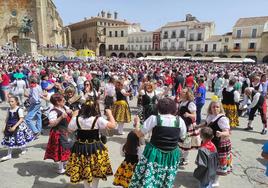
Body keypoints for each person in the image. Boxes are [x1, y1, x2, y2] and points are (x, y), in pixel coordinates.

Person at [129, 98, 187, 188]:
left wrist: (137, 124)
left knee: (149, 176)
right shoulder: (180, 121)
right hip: (171, 154)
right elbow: (183, 137)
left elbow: (140, 134)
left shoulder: (154, 119)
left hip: (154, 152)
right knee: (166, 178)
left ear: (159, 108)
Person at [66, 99, 116, 188]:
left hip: (80, 148)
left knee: (84, 168)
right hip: (94, 147)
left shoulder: (77, 119)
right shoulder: (98, 119)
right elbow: (113, 125)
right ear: (95, 109)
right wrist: (110, 114)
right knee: (95, 170)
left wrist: (74, 115)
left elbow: (70, 129)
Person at [197, 100, 232, 187]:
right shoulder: (210, 116)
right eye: (213, 107)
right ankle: (208, 177)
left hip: (218, 143)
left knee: (217, 162)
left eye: (217, 107)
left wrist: (221, 134)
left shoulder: (222, 119)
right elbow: (206, 123)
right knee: (209, 161)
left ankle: (215, 180)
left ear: (220, 108)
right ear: (210, 108)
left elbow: (227, 132)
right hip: (209, 142)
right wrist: (198, 126)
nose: (215, 108)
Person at [44, 93, 72, 174]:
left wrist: (70, 111)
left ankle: (65, 163)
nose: (64, 100)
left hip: (66, 131)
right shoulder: (53, 111)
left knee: (66, 149)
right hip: (58, 133)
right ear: (57, 102)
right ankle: (60, 168)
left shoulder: (64, 107)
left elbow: (70, 113)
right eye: (63, 100)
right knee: (61, 150)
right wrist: (61, 117)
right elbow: (51, 124)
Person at [1, 95, 34, 161]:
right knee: (10, 139)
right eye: (9, 101)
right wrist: (4, 127)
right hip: (9, 126)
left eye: (12, 101)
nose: (10, 103)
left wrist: (15, 127)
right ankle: (9, 155)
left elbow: (21, 119)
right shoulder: (9, 109)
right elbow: (7, 118)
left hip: (18, 127)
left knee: (20, 139)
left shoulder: (19, 109)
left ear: (16, 102)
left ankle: (24, 149)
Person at [178, 87, 201, 165]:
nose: (181, 92)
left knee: (186, 143)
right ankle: (181, 157)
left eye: (183, 92)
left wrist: (188, 115)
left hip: (188, 125)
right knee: (181, 142)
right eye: (182, 92)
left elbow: (195, 116)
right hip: (181, 124)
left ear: (188, 94)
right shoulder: (182, 102)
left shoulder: (191, 103)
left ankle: (185, 159)